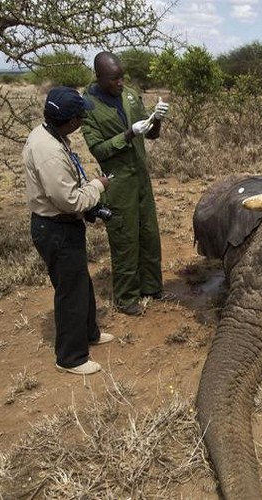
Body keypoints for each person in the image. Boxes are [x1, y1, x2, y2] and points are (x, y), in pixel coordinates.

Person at [24, 86, 115, 375]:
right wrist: (98, 186)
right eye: (80, 117)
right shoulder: (49, 151)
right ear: (72, 121)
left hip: (62, 226)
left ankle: (89, 333)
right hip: (56, 227)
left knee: (79, 283)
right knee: (70, 292)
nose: (82, 121)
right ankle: (71, 357)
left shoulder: (49, 134)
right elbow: (69, 201)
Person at [81, 51, 171, 316]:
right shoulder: (88, 107)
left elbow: (151, 134)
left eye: (122, 77)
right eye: (113, 79)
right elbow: (98, 149)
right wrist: (129, 133)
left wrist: (157, 119)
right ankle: (126, 296)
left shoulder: (130, 95)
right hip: (118, 183)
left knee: (149, 234)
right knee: (125, 239)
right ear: (98, 77)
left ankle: (152, 287)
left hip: (141, 178)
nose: (120, 83)